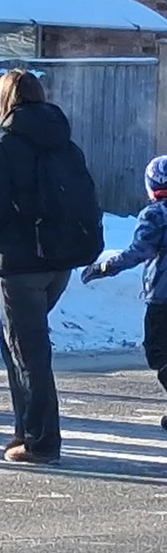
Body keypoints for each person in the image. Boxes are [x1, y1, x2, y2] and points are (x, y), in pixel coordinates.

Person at [0, 69, 102, 465]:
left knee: (28, 351)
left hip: (20, 263)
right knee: (15, 341)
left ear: (6, 99)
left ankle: (42, 442)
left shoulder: (6, 144)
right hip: (58, 262)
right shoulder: (66, 143)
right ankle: (25, 428)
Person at [81, 156, 167, 431]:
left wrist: (106, 266)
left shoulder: (156, 214)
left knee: (158, 352)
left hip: (163, 296)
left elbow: (140, 251)